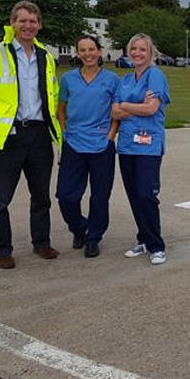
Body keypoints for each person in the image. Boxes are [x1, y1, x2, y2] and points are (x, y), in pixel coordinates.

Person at [0, 0, 61, 269]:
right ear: (13, 23)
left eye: (32, 21)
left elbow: (51, 94)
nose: (27, 26)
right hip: (8, 136)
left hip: (39, 134)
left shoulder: (46, 57)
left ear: (39, 25)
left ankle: (41, 242)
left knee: (41, 195)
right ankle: (1, 250)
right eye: (22, 21)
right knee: (0, 198)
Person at [56, 36, 119, 258]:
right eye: (82, 50)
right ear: (77, 53)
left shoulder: (112, 80)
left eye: (91, 49)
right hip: (74, 144)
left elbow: (117, 111)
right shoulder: (68, 79)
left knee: (100, 196)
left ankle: (93, 238)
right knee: (66, 196)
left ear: (100, 52)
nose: (88, 54)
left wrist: (111, 135)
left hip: (102, 146)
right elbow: (61, 109)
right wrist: (65, 132)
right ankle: (79, 228)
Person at [112, 33, 171, 265]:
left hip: (148, 145)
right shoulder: (124, 79)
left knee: (147, 194)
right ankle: (144, 239)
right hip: (127, 146)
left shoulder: (155, 75)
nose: (137, 53)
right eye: (133, 49)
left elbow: (152, 110)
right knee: (134, 195)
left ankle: (157, 245)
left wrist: (126, 105)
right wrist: (137, 105)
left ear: (151, 53)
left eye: (142, 50)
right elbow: (114, 112)